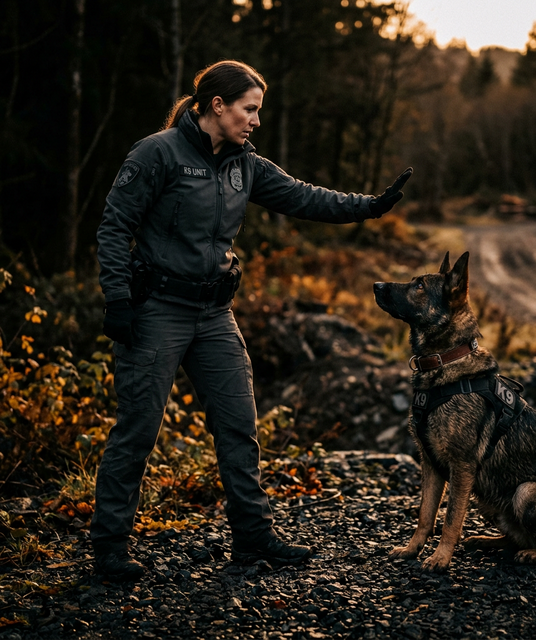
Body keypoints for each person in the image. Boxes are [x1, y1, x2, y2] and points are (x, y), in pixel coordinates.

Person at [93, 59, 412, 581]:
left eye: (257, 111)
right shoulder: (157, 154)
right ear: (217, 106)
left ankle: (253, 537)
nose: (256, 121)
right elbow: (113, 227)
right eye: (250, 109)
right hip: (156, 313)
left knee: (239, 425)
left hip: (214, 314)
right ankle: (108, 550)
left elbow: (304, 196)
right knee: (138, 430)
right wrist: (118, 301)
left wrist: (369, 206)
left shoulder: (244, 163)